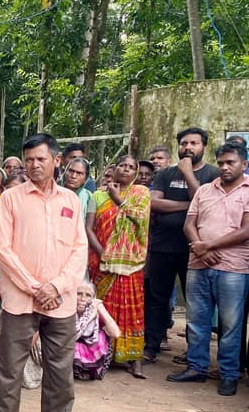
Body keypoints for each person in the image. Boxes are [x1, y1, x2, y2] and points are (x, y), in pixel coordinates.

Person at [0, 133, 88, 412]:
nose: (34, 164)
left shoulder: (71, 201)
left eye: (41, 158)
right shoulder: (12, 198)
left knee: (60, 371)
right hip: (21, 299)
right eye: (29, 159)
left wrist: (55, 287)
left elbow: (79, 249)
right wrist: (34, 287)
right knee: (9, 371)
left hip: (61, 301)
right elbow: (3, 250)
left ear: (57, 161)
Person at [168, 141, 249, 396]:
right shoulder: (204, 190)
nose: (224, 168)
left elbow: (246, 230)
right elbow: (189, 224)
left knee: (230, 324)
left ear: (244, 165)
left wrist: (208, 246)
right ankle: (196, 367)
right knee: (197, 321)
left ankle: (228, 374)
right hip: (198, 265)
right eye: (222, 163)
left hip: (233, 268)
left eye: (231, 163)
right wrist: (198, 245)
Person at [144, 128, 218, 364]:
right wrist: (188, 205)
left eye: (193, 143)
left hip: (195, 250)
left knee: (196, 305)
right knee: (157, 299)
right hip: (162, 247)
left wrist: (188, 175)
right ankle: (151, 346)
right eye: (184, 143)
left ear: (203, 146)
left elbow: (206, 205)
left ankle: (193, 353)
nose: (188, 147)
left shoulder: (212, 174)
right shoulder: (165, 174)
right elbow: (153, 203)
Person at [87, 154, 151, 378]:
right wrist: (103, 254)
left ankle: (134, 358)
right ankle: (102, 352)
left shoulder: (141, 193)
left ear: (135, 173)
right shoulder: (98, 195)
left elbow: (141, 219)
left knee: (131, 309)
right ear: (113, 169)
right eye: (122, 165)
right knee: (103, 308)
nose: (125, 169)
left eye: (131, 167)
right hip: (102, 260)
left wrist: (119, 200)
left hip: (130, 263)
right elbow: (90, 228)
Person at [73, 281, 120, 380]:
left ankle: (88, 370)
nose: (82, 299)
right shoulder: (68, 306)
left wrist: (99, 308)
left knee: (102, 336)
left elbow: (115, 333)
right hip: (71, 344)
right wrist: (90, 317)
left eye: (88, 295)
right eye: (79, 294)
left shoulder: (94, 306)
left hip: (90, 348)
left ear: (93, 298)